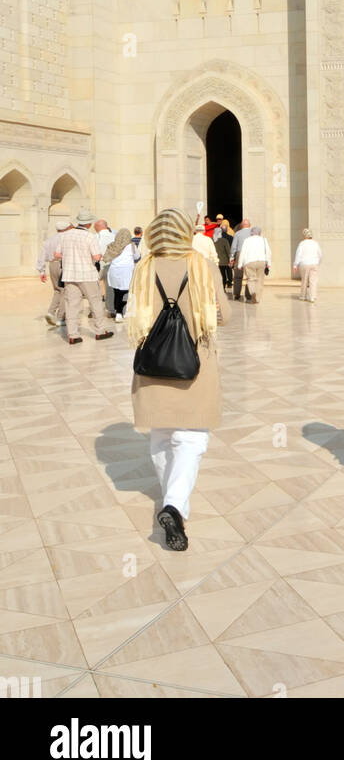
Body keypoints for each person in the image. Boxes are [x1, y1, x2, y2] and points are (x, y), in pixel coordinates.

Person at [127, 207, 229, 551]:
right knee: (191, 439)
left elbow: (134, 314)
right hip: (193, 365)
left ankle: (173, 503)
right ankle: (174, 506)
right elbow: (224, 315)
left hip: (153, 364)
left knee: (161, 436)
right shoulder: (201, 266)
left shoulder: (144, 268)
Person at [61, 212, 112, 344]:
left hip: (70, 274)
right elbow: (96, 257)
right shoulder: (90, 236)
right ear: (89, 224)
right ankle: (100, 331)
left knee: (72, 304)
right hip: (87, 274)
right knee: (95, 302)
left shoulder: (65, 235)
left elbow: (57, 254)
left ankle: (73, 335)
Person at [37, 218, 71, 328]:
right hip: (63, 265)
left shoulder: (49, 240)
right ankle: (61, 317)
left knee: (57, 290)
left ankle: (50, 313)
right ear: (66, 228)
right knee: (65, 291)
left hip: (52, 265)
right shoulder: (67, 239)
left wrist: (42, 271)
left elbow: (42, 256)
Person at [102, 228, 140, 321]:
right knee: (128, 292)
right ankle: (126, 311)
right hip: (127, 272)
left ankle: (118, 312)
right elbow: (138, 257)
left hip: (114, 271)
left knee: (117, 292)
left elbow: (107, 257)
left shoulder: (112, 245)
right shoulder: (132, 246)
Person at [237, 226, 271, 302]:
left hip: (249, 261)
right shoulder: (264, 240)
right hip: (261, 261)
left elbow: (243, 252)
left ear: (251, 232)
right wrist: (269, 263)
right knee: (260, 280)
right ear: (259, 232)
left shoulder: (247, 240)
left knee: (251, 279)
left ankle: (253, 293)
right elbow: (268, 252)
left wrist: (240, 264)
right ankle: (258, 298)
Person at [293, 228, 322, 301]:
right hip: (314, 263)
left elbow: (298, 255)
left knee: (304, 280)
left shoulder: (302, 243)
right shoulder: (316, 243)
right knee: (313, 281)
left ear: (304, 235)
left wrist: (295, 265)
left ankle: (303, 296)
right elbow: (320, 255)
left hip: (304, 264)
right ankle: (312, 297)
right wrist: (318, 262)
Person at [230, 219, 252, 300]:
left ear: (241, 226)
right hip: (250, 254)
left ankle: (236, 294)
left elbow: (234, 247)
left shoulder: (237, 233)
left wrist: (232, 257)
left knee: (238, 275)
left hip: (239, 253)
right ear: (250, 225)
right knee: (250, 275)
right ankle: (248, 294)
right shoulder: (253, 233)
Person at [215, 224, 233, 292]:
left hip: (217, 261)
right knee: (226, 273)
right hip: (225, 260)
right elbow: (228, 251)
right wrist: (231, 259)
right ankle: (226, 285)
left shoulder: (213, 240)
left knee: (220, 274)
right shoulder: (226, 239)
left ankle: (220, 287)